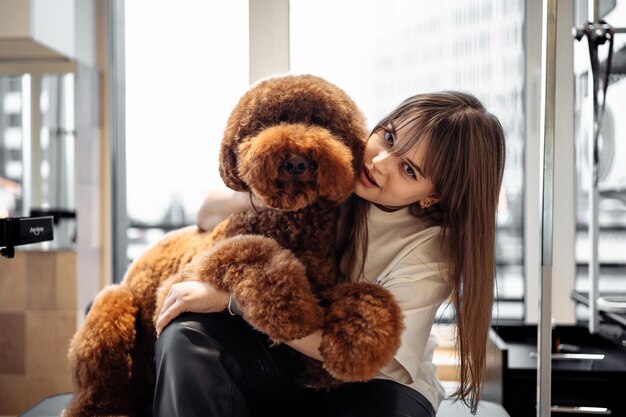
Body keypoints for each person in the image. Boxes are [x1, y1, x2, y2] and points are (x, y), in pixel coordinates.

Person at [153, 90, 506, 417]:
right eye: (389, 137)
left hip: (375, 386)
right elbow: (206, 215)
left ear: (434, 196)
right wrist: (263, 199)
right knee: (188, 336)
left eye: (409, 169)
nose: (380, 162)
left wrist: (237, 300)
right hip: (290, 365)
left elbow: (370, 357)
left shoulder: (432, 249)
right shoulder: (332, 165)